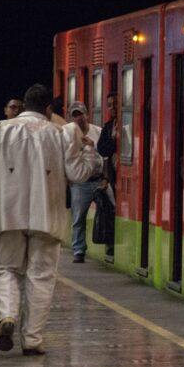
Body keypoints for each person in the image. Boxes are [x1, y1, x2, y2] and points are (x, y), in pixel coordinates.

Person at [0, 84, 101, 355]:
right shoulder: (62, 134)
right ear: (49, 110)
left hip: (7, 215)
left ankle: (8, 316)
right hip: (47, 217)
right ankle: (32, 340)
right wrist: (90, 153)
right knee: (41, 276)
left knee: (6, 270)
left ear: (25, 106)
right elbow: (78, 174)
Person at [67, 101, 103, 263]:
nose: (78, 118)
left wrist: (92, 147)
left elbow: (105, 156)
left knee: (110, 208)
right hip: (80, 182)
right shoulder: (68, 136)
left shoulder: (98, 132)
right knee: (78, 217)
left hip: (99, 179)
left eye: (80, 114)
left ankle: (109, 244)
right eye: (74, 115)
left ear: (86, 114)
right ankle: (79, 249)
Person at [97, 92, 118, 256]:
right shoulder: (109, 126)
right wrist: (114, 141)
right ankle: (110, 242)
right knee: (110, 210)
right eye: (110, 105)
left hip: (122, 175)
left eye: (116, 104)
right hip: (111, 176)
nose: (113, 108)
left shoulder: (132, 123)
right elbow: (102, 148)